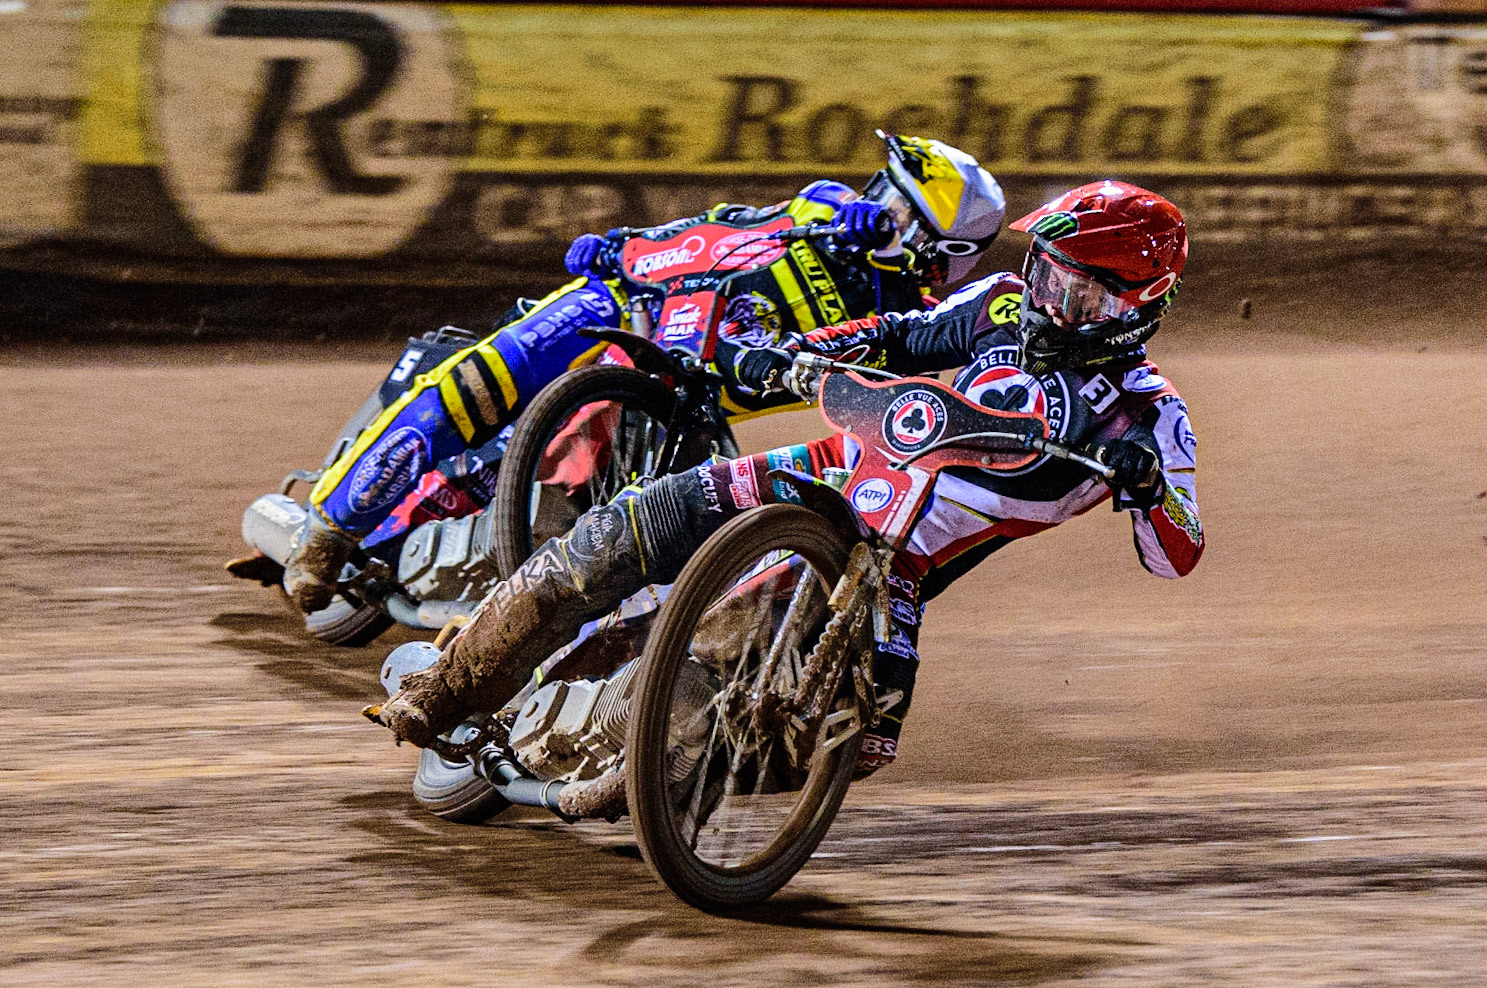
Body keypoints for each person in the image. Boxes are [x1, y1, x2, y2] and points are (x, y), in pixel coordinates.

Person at [368, 179, 1204, 776]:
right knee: (615, 533)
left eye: (1082, 295)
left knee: (752, 697)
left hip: (894, 570)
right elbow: (896, 335)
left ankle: (659, 763)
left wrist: (1147, 489)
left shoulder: (1149, 415)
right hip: (824, 472)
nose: (1053, 303)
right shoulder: (995, 306)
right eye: (1047, 276)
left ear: (1138, 304)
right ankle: (440, 691)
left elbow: (1179, 553)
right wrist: (787, 356)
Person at [281, 133, 1007, 614]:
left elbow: (873, 391)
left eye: (899, 213)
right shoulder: (820, 209)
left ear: (937, 251)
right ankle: (329, 531)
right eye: (882, 193)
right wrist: (625, 245)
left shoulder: (911, 322)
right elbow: (728, 219)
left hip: (679, 401)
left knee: (642, 539)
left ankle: (525, 641)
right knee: (478, 385)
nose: (877, 211)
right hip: (624, 301)